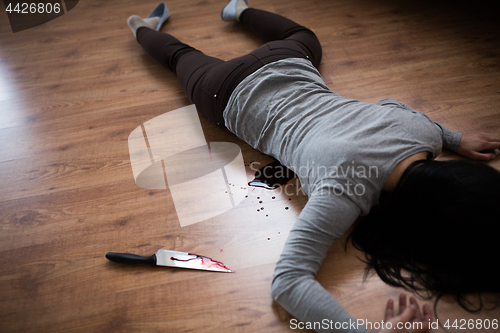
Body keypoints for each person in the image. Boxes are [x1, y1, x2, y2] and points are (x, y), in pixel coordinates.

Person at [127, 1, 500, 332]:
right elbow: (287, 284)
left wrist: (455, 139)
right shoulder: (344, 191)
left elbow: (395, 108)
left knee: (302, 34)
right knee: (179, 57)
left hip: (285, 58)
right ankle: (142, 27)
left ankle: (236, 10)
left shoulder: (425, 133)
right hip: (224, 91)